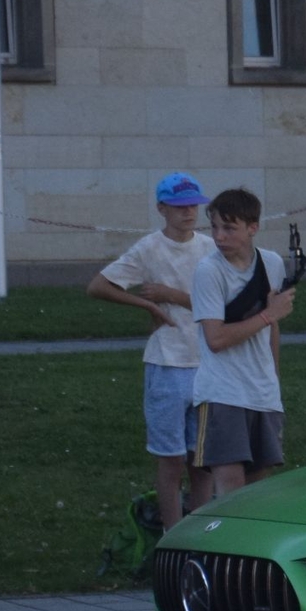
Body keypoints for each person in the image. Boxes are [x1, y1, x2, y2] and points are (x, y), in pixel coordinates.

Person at [86, 172, 217, 530]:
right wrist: (147, 307)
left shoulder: (209, 247)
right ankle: (172, 534)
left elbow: (218, 303)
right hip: (168, 362)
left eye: (192, 204)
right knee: (171, 459)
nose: (188, 211)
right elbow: (99, 286)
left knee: (202, 460)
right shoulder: (149, 248)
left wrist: (171, 297)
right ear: (162, 208)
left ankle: (200, 531)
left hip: (207, 363)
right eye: (178, 206)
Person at [189, 188, 291, 495]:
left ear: (252, 228)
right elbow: (216, 339)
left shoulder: (271, 264)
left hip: (261, 394)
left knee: (257, 491)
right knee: (230, 488)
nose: (219, 236)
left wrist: (272, 379)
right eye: (215, 227)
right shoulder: (208, 271)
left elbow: (272, 330)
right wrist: (267, 316)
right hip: (222, 394)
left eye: (229, 228)